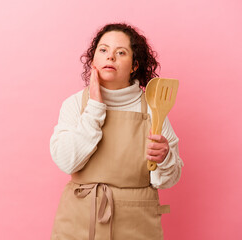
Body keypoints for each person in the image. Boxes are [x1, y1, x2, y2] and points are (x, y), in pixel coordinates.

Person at [50, 23, 183, 240]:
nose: (110, 57)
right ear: (93, 61)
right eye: (103, 50)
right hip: (79, 221)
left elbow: (167, 180)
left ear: (134, 65)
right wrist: (94, 107)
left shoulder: (153, 108)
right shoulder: (74, 104)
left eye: (120, 52)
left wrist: (165, 157)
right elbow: (66, 162)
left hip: (137, 224)